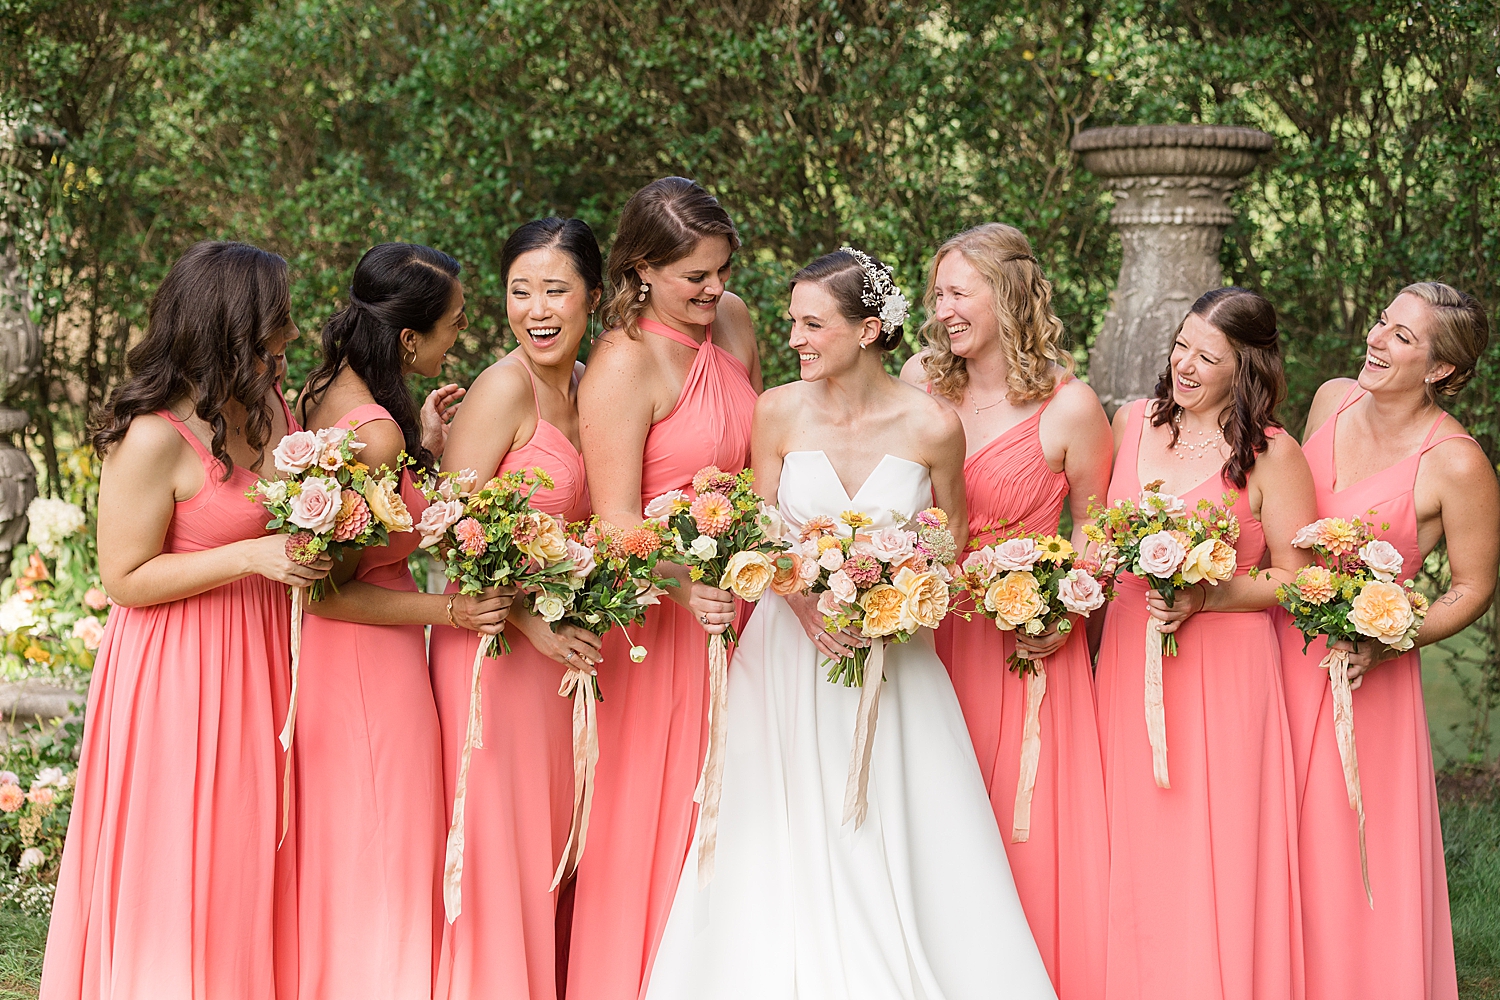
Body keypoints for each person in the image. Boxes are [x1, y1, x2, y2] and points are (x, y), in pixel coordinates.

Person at [643, 247, 1055, 998]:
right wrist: (804, 600)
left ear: (868, 331)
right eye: (792, 322)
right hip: (785, 654)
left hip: (894, 663)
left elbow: (951, 547)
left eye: (811, 323)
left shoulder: (933, 424)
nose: (794, 337)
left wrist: (892, 607)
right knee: (776, 830)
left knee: (892, 826)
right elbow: (761, 530)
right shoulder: (777, 410)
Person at [41, 241, 331, 999]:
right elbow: (123, 579)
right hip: (180, 671)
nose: (292, 337)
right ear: (233, 327)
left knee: (248, 852)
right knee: (184, 855)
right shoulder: (149, 437)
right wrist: (252, 559)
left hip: (266, 658)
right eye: (280, 321)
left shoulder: (270, 407)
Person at [290, 243, 512, 998]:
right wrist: (449, 609)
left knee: (353, 853)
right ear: (409, 339)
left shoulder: (327, 390)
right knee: (387, 849)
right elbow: (331, 590)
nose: (461, 338)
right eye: (453, 325)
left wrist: (425, 453)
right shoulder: (374, 431)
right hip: (366, 666)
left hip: (335, 663)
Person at [901, 223, 1113, 999]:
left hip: (1020, 644)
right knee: (926, 809)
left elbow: (1095, 527)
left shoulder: (1071, 405)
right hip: (922, 629)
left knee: (1017, 826)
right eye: (938, 293)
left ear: (1009, 294)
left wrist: (1066, 605)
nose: (943, 308)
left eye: (959, 292)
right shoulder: (920, 380)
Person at [567, 177, 762, 1000]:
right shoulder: (623, 361)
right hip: (666, 624)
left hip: (750, 608)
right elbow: (611, 522)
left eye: (721, 271)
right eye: (695, 278)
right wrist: (686, 587)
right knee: (664, 819)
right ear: (643, 270)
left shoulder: (736, 322)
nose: (714, 292)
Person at [1093, 287, 1316, 1000]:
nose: (1184, 365)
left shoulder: (1275, 454)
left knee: (1212, 843)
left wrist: (1210, 593)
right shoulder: (1131, 421)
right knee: (1133, 834)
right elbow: (1098, 534)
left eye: (1206, 356)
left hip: (1224, 668)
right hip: (1132, 649)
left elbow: (1295, 579)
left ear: (1245, 367)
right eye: (1181, 344)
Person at [1282, 283, 1497, 1000]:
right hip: (1277, 653)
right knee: (1276, 841)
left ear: (1440, 368)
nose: (1376, 339)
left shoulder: (1457, 462)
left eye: (1403, 337)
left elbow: (1471, 586)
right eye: (1381, 322)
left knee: (1348, 855)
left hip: (1362, 676)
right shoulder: (1330, 398)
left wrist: (1392, 635)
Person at [428, 219, 603, 1000]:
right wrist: (531, 623)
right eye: (519, 290)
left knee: (560, 846)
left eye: (556, 290)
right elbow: (450, 533)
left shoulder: (594, 384)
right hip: (499, 654)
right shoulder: (505, 386)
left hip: (567, 660)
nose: (536, 308)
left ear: (592, 299)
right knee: (505, 855)